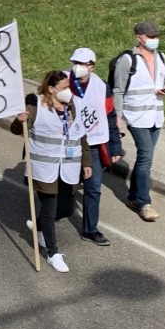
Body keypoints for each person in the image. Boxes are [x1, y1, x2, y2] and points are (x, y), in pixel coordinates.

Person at [11, 71, 92, 273]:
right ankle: (52, 253)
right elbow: (17, 130)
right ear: (51, 89)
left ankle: (38, 226)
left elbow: (81, 136)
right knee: (49, 209)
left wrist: (87, 162)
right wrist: (18, 121)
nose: (68, 91)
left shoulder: (74, 106)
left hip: (68, 168)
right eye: (64, 87)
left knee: (67, 208)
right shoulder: (35, 104)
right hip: (44, 168)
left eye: (68, 87)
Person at [113, 20, 165, 222]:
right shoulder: (127, 60)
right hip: (136, 116)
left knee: (145, 158)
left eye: (156, 36)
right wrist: (118, 117)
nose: (155, 40)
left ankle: (132, 197)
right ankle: (144, 203)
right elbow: (118, 90)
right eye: (151, 37)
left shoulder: (162, 57)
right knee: (146, 156)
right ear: (139, 38)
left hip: (156, 115)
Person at [66, 47, 112, 246]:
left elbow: (110, 116)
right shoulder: (62, 80)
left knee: (93, 189)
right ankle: (52, 214)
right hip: (68, 144)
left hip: (92, 145)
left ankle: (90, 230)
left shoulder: (102, 86)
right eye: (74, 62)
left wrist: (115, 148)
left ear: (91, 67)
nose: (77, 67)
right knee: (64, 184)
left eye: (82, 64)